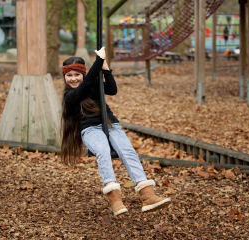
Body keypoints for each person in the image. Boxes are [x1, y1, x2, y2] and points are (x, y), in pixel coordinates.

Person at [60, 47, 171, 216]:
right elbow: (86, 84)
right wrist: (98, 61)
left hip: (111, 124)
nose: (73, 79)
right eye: (69, 75)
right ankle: (115, 199)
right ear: (64, 77)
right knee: (103, 151)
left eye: (77, 74)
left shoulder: (93, 84)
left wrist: (105, 68)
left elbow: (112, 89)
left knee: (128, 151)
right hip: (90, 130)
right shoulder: (69, 96)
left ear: (83, 74)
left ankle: (148, 195)